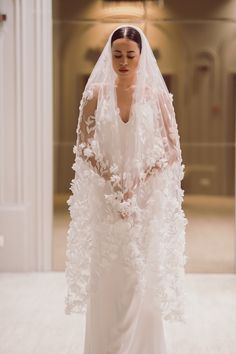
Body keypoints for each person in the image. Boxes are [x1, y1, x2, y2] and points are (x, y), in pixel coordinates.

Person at [64, 24, 188, 354]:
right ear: (109, 55)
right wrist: (113, 178)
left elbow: (173, 149)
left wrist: (139, 178)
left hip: (144, 201)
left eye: (130, 55)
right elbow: (83, 146)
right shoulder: (94, 96)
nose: (123, 61)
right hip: (106, 199)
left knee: (139, 277)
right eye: (117, 54)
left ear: (141, 56)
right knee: (108, 280)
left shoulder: (157, 97)